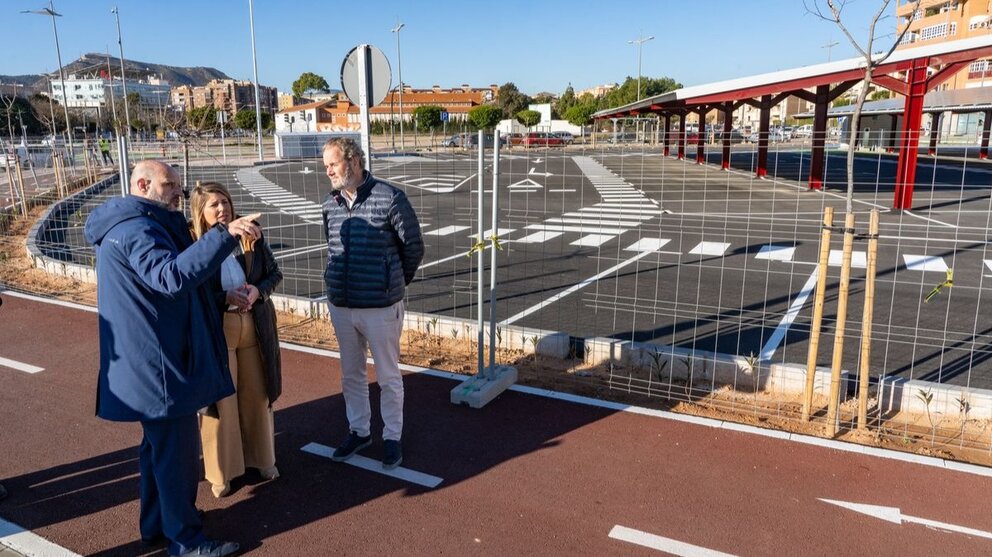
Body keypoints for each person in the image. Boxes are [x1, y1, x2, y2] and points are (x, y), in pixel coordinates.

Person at [84, 160, 260, 557]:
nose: (179, 192)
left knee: (156, 451)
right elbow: (171, 278)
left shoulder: (133, 224)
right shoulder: (139, 229)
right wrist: (222, 237)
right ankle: (187, 541)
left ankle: (156, 525)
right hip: (158, 366)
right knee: (177, 457)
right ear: (143, 184)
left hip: (149, 360)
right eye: (170, 185)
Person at [320, 137, 424, 470]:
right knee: (351, 374)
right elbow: (332, 248)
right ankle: (359, 430)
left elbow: (414, 247)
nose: (329, 172)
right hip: (342, 306)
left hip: (381, 307)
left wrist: (391, 282)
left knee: (389, 377)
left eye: (332, 165)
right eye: (326, 167)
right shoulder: (330, 204)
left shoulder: (390, 198)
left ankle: (392, 437)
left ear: (353, 161)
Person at [190, 182, 282, 498]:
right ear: (200, 211)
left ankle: (262, 459)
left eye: (225, 202)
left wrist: (259, 291)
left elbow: (273, 274)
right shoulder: (193, 241)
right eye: (214, 204)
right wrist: (223, 296)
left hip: (254, 323)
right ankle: (221, 474)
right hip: (219, 327)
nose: (222, 209)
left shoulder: (248, 233)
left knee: (257, 396)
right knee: (221, 403)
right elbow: (192, 290)